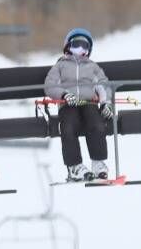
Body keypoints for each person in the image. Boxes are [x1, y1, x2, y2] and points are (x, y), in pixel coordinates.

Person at [43, 27, 113, 182]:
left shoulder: (92, 67)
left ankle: (98, 162)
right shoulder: (60, 66)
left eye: (85, 46)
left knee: (96, 124)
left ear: (89, 50)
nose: (80, 49)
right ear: (68, 46)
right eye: (76, 44)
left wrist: (105, 103)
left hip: (89, 103)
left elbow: (103, 85)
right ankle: (75, 166)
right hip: (68, 104)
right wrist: (64, 94)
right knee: (68, 127)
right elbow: (50, 85)